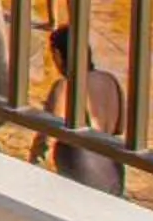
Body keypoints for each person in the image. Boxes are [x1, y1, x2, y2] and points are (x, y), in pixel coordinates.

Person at [30, 24, 126, 196]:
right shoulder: (111, 81)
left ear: (58, 55)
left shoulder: (65, 86)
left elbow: (46, 139)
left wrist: (32, 173)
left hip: (83, 175)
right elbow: (119, 128)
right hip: (114, 176)